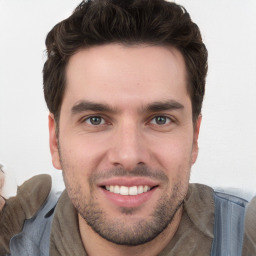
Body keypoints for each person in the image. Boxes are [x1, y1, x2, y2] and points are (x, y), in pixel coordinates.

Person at [0, 0, 251, 255]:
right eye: (95, 120)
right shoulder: (12, 236)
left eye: (160, 119)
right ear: (55, 140)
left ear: (194, 138)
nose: (129, 156)